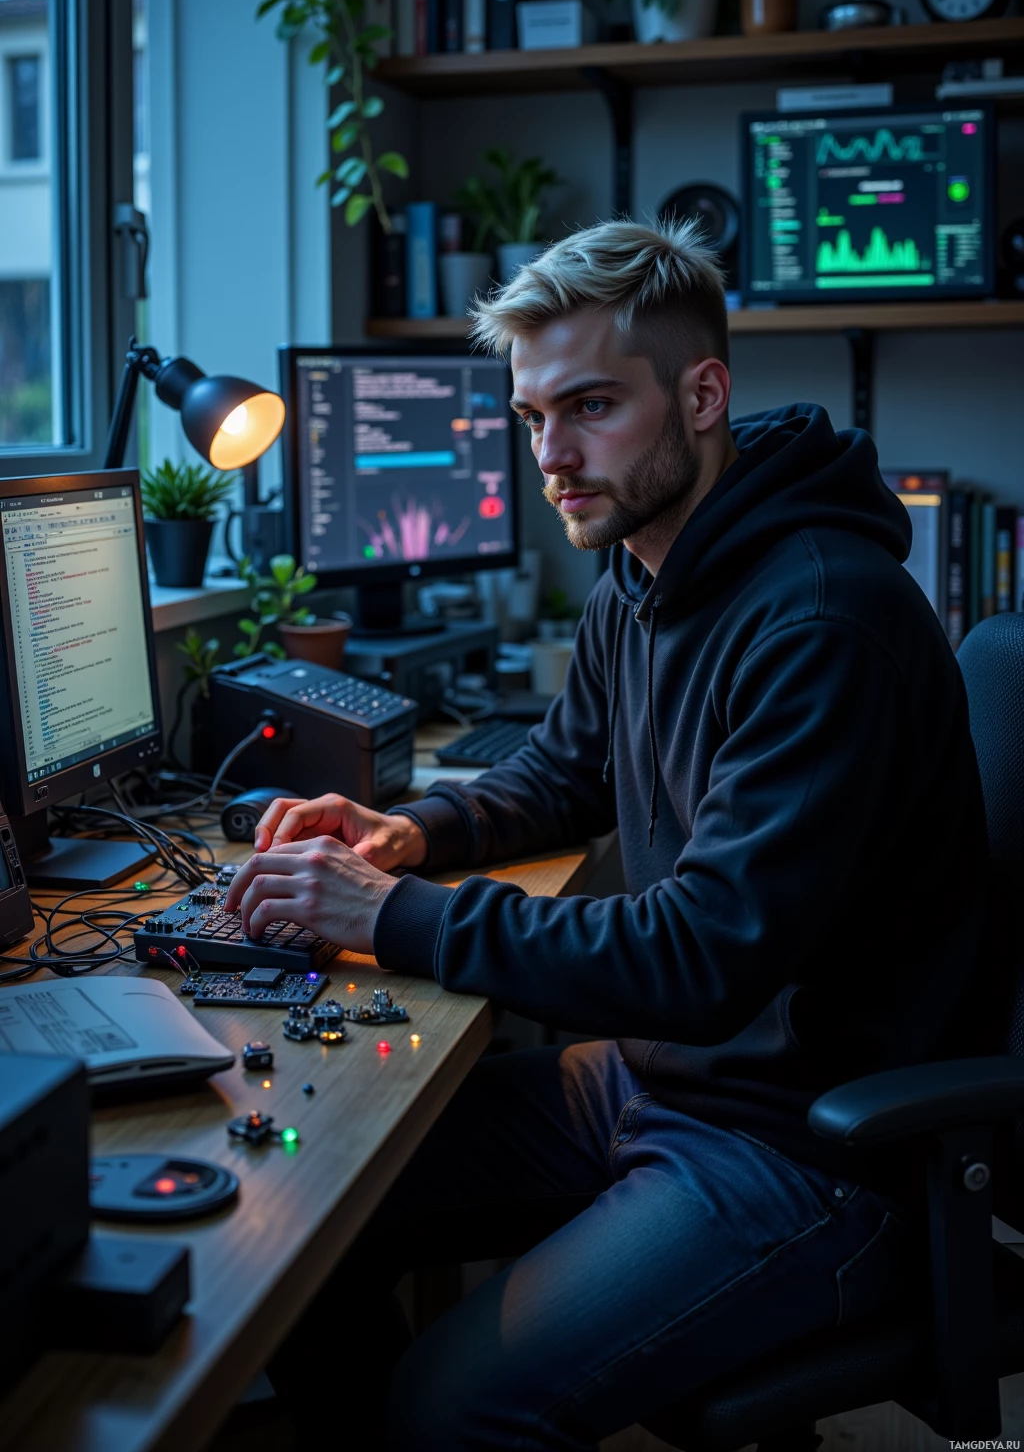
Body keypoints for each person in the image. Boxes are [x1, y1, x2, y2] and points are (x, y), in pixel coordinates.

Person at [225, 220, 990, 1450]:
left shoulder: (822, 618)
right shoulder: (643, 564)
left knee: (446, 1407)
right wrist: (408, 834)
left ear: (701, 394)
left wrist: (388, 919)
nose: (552, 458)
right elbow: (563, 771)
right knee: (302, 1219)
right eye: (533, 419)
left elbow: (700, 959)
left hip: (811, 1151)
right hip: (661, 1085)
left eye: (587, 408)